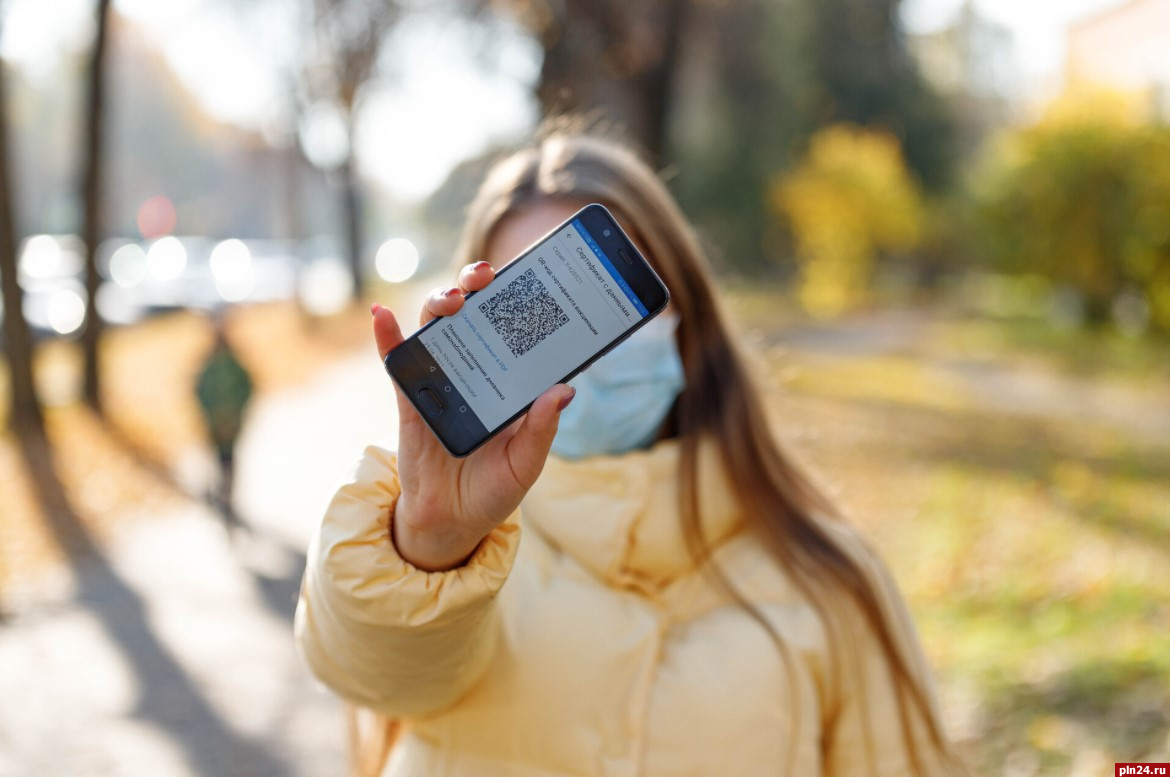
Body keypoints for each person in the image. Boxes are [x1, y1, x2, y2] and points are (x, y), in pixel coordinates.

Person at [294, 128, 969, 777]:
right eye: (528, 313)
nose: (582, 360)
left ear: (686, 319)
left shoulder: (833, 578)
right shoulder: (452, 571)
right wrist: (429, 543)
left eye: (597, 305)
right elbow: (361, 663)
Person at [195, 315, 253, 528]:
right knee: (219, 457)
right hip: (215, 421)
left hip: (231, 421)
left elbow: (247, 387)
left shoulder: (233, 363)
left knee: (228, 457)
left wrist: (235, 411)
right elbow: (199, 390)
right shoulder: (208, 364)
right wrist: (210, 412)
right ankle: (220, 489)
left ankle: (227, 491)